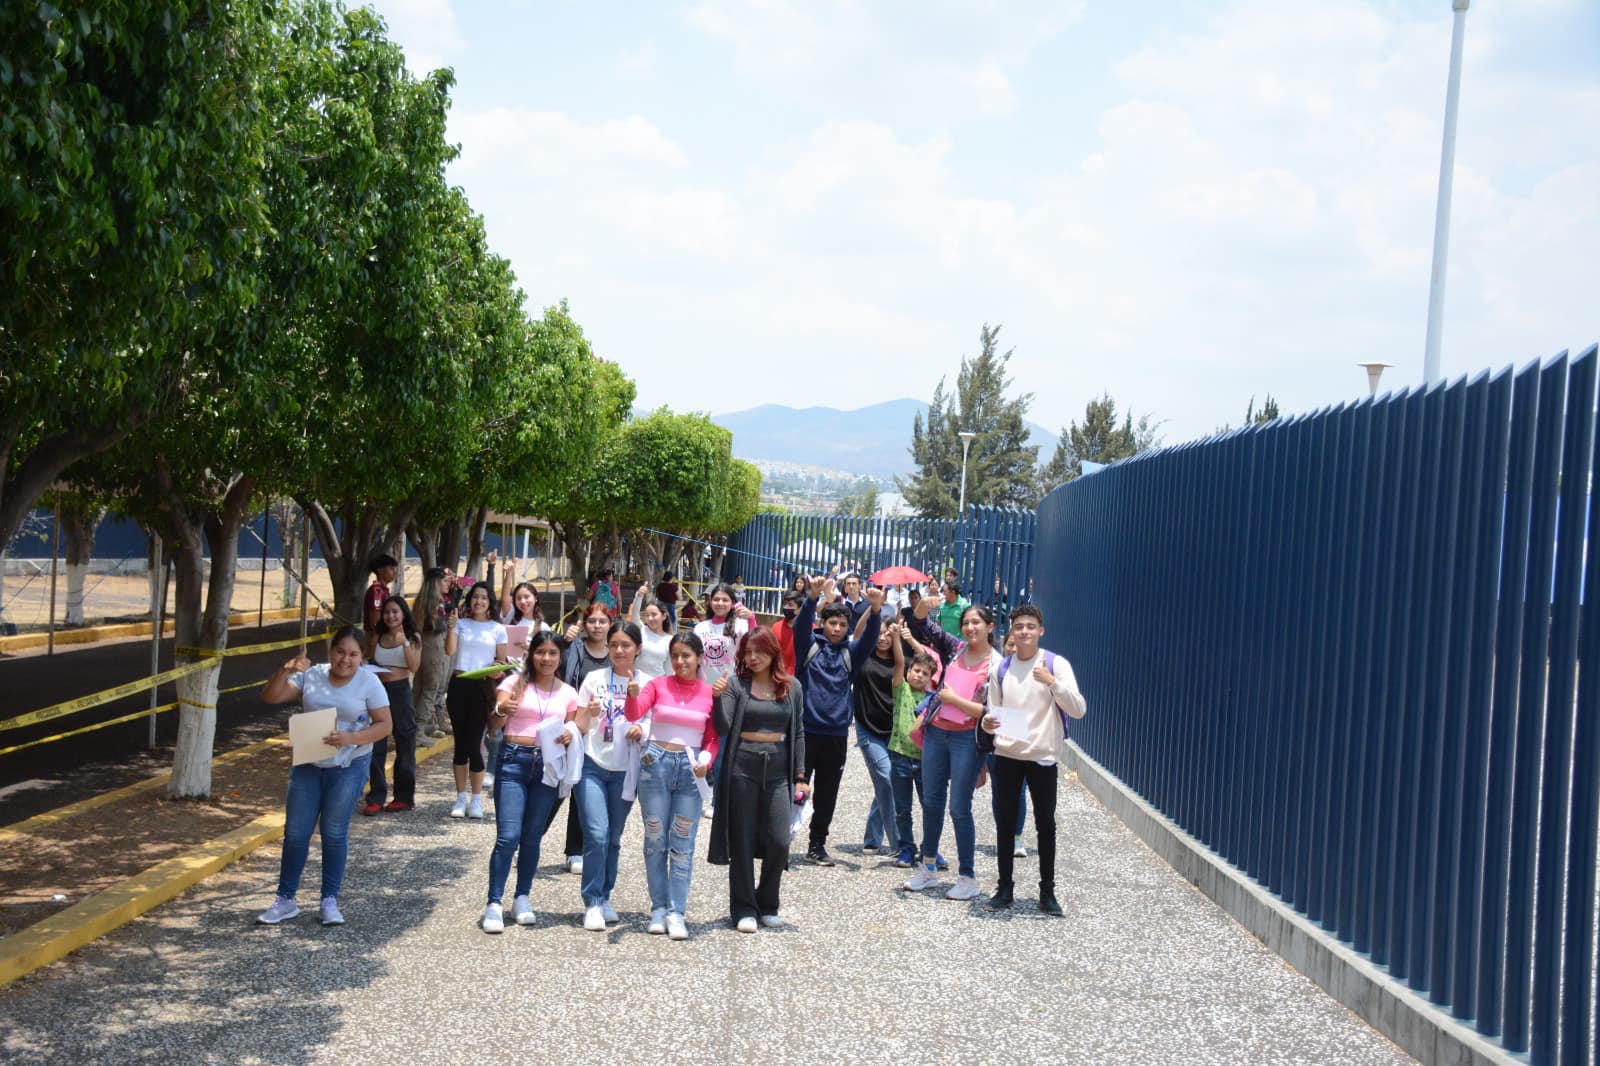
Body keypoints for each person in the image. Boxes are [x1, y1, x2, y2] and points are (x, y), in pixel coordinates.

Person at [256, 626, 393, 925]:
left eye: (353, 654)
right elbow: (272, 696)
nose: (346, 659)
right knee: (295, 832)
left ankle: (329, 900)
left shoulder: (369, 682)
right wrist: (285, 669)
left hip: (348, 764)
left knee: (333, 832)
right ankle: (286, 899)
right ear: (331, 651)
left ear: (362, 657)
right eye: (340, 652)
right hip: (309, 761)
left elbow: (384, 725)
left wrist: (350, 738)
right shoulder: (313, 674)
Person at [980, 604, 1086, 914]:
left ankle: (1047, 892)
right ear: (1011, 631)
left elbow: (1078, 708)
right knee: (1005, 824)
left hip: (1043, 756)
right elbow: (993, 713)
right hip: (1008, 754)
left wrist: (1052, 682)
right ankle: (1004, 888)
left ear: (1041, 630)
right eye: (1019, 626)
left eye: (1030, 626)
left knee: (1045, 825)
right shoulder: (1001, 668)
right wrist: (988, 724)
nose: (1024, 631)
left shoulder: (1055, 664)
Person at [480, 631, 580, 932]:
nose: (546, 658)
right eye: (540, 652)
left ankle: (522, 897)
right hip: (513, 761)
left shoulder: (568, 693)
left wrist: (570, 733)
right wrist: (500, 711)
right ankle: (494, 903)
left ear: (560, 657)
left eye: (552, 653)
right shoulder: (512, 684)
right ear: (531, 654)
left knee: (532, 837)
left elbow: (575, 727)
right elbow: (495, 724)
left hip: (547, 766)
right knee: (508, 836)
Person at [709, 627, 807, 931]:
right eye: (748, 652)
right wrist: (716, 698)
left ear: (773, 652)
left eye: (759, 651)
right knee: (742, 839)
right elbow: (723, 728)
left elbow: (799, 732)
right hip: (742, 767)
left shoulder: (792, 687)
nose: (753, 657)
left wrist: (800, 776)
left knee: (779, 840)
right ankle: (743, 908)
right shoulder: (736, 685)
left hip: (778, 770)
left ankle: (768, 903)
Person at [902, 602, 1000, 901]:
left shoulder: (997, 664)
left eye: (977, 623)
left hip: (967, 740)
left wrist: (955, 700)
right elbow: (921, 625)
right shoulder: (956, 649)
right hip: (936, 732)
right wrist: (922, 605)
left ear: (990, 626)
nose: (971, 628)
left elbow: (992, 712)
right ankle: (928, 867)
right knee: (931, 801)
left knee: (959, 807)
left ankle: (967, 877)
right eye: (967, 622)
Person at [629, 632, 718, 940]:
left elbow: (712, 737)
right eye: (675, 655)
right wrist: (631, 694)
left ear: (699, 658)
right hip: (656, 764)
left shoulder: (709, 693)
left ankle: (677, 911)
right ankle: (657, 908)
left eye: (686, 656)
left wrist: (707, 759)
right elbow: (634, 713)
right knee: (655, 837)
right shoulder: (657, 685)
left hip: (690, 768)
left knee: (683, 844)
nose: (680, 661)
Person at [792, 575, 883, 866]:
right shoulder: (809, 645)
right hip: (805, 733)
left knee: (828, 794)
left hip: (836, 735)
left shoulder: (850, 654)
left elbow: (869, 638)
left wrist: (876, 610)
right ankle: (782, 839)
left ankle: (817, 845)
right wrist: (812, 598)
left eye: (843, 625)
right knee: (794, 790)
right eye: (832, 623)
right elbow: (802, 624)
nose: (837, 629)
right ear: (824, 624)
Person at [573, 619, 650, 931]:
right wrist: (587, 715)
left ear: (638, 649)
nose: (619, 650)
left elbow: (652, 723)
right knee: (596, 834)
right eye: (614, 644)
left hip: (625, 771)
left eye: (626, 645)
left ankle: (605, 896)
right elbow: (578, 724)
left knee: (614, 840)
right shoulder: (593, 679)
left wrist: (640, 727)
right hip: (592, 765)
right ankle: (591, 901)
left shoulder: (647, 683)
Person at [548, 600, 613, 874]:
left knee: (582, 794)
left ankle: (575, 849)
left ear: (610, 623)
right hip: (574, 726)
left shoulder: (616, 651)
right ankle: (528, 840)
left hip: (604, 733)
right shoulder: (574, 648)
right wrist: (563, 643)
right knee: (554, 788)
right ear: (584, 624)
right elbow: (554, 669)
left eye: (602, 621)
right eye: (592, 621)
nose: (597, 626)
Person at [444, 582, 508, 819]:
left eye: (483, 597)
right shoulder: (461, 624)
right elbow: (450, 652)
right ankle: (461, 797)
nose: (479, 601)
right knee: (460, 744)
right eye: (475, 597)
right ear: (469, 601)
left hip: (481, 687)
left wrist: (496, 670)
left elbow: (501, 662)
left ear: (490, 602)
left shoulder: (497, 629)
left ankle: (477, 799)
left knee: (474, 744)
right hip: (459, 684)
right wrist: (451, 628)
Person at [887, 637, 943, 870]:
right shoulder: (902, 690)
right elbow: (899, 661)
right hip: (899, 755)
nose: (918, 675)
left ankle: (930, 849)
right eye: (915, 670)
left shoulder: (935, 698)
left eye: (924, 673)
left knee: (929, 806)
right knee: (903, 807)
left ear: (931, 679)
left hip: (925, 761)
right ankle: (907, 847)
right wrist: (900, 639)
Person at [363, 597, 421, 814]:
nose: (390, 616)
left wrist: (404, 641)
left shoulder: (413, 637)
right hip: (377, 691)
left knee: (405, 742)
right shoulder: (377, 636)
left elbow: (414, 666)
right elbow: (369, 659)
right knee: (376, 743)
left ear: (403, 614)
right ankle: (376, 797)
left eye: (395, 612)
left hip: (400, 692)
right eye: (387, 612)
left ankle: (404, 797)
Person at [855, 619, 907, 857]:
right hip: (867, 729)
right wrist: (873, 608)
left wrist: (897, 637)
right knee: (886, 778)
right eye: (880, 633)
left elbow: (900, 663)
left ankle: (872, 838)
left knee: (884, 783)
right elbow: (856, 635)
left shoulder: (898, 665)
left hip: (891, 730)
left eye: (888, 634)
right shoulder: (862, 656)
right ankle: (899, 844)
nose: (883, 638)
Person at [411, 566, 452, 736]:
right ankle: (419, 728)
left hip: (424, 645)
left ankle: (432, 722)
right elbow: (437, 626)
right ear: (436, 582)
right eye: (444, 581)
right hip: (433, 645)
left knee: (423, 686)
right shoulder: (434, 602)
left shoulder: (423, 600)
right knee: (432, 687)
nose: (448, 584)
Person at [692, 582, 753, 688]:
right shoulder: (700, 628)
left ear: (732, 603)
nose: (720, 603)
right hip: (704, 686)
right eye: (716, 599)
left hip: (731, 686)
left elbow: (755, 643)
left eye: (725, 600)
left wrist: (752, 619)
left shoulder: (740, 625)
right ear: (710, 602)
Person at [629, 587, 673, 677]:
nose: (650, 618)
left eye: (654, 615)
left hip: (657, 684)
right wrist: (639, 596)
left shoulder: (670, 640)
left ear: (664, 616)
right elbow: (634, 613)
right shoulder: (641, 629)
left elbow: (669, 669)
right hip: (638, 684)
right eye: (647, 615)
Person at [363, 554, 399, 633]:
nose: (395, 572)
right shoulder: (377, 591)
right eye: (391, 568)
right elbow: (375, 622)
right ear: (380, 570)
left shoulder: (383, 590)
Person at [769, 591, 802, 677]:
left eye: (790, 605)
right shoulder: (776, 627)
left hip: (800, 679)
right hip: (778, 676)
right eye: (785, 604)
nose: (786, 607)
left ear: (799, 609)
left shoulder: (812, 629)